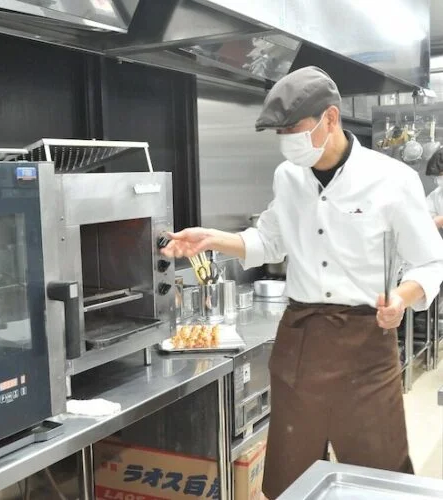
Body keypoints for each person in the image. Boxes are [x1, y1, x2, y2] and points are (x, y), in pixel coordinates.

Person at [161, 66, 443, 499]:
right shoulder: (288, 177)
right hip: (301, 338)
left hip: (366, 341)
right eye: (280, 132)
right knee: (291, 475)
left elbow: (430, 260)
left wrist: (402, 298)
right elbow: (269, 241)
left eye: (293, 129)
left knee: (379, 474)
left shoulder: (391, 179)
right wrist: (212, 238)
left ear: (331, 118)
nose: (286, 140)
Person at [425, 148, 443, 228]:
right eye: (435, 177)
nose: (437, 180)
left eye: (440, 175)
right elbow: (425, 212)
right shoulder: (437, 194)